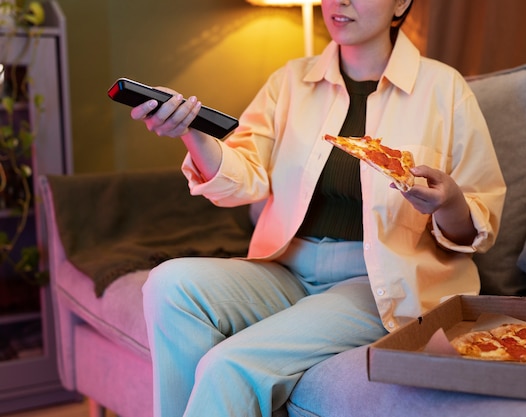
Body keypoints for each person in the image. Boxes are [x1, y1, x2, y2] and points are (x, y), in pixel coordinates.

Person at [131, 0, 506, 416]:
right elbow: (246, 178)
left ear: (401, 2)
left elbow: (477, 224)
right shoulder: (289, 82)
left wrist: (448, 201)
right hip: (287, 268)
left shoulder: (444, 89)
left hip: (375, 283)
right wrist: (191, 131)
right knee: (169, 285)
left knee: (228, 364)